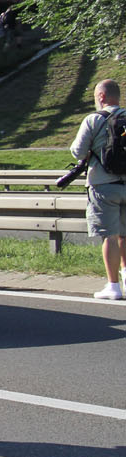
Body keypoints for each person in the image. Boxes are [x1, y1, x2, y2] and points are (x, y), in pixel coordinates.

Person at [70, 79, 126, 300]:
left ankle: (113, 286)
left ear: (101, 97)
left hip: (103, 186)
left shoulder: (94, 119)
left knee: (110, 237)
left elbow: (77, 151)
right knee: (125, 235)